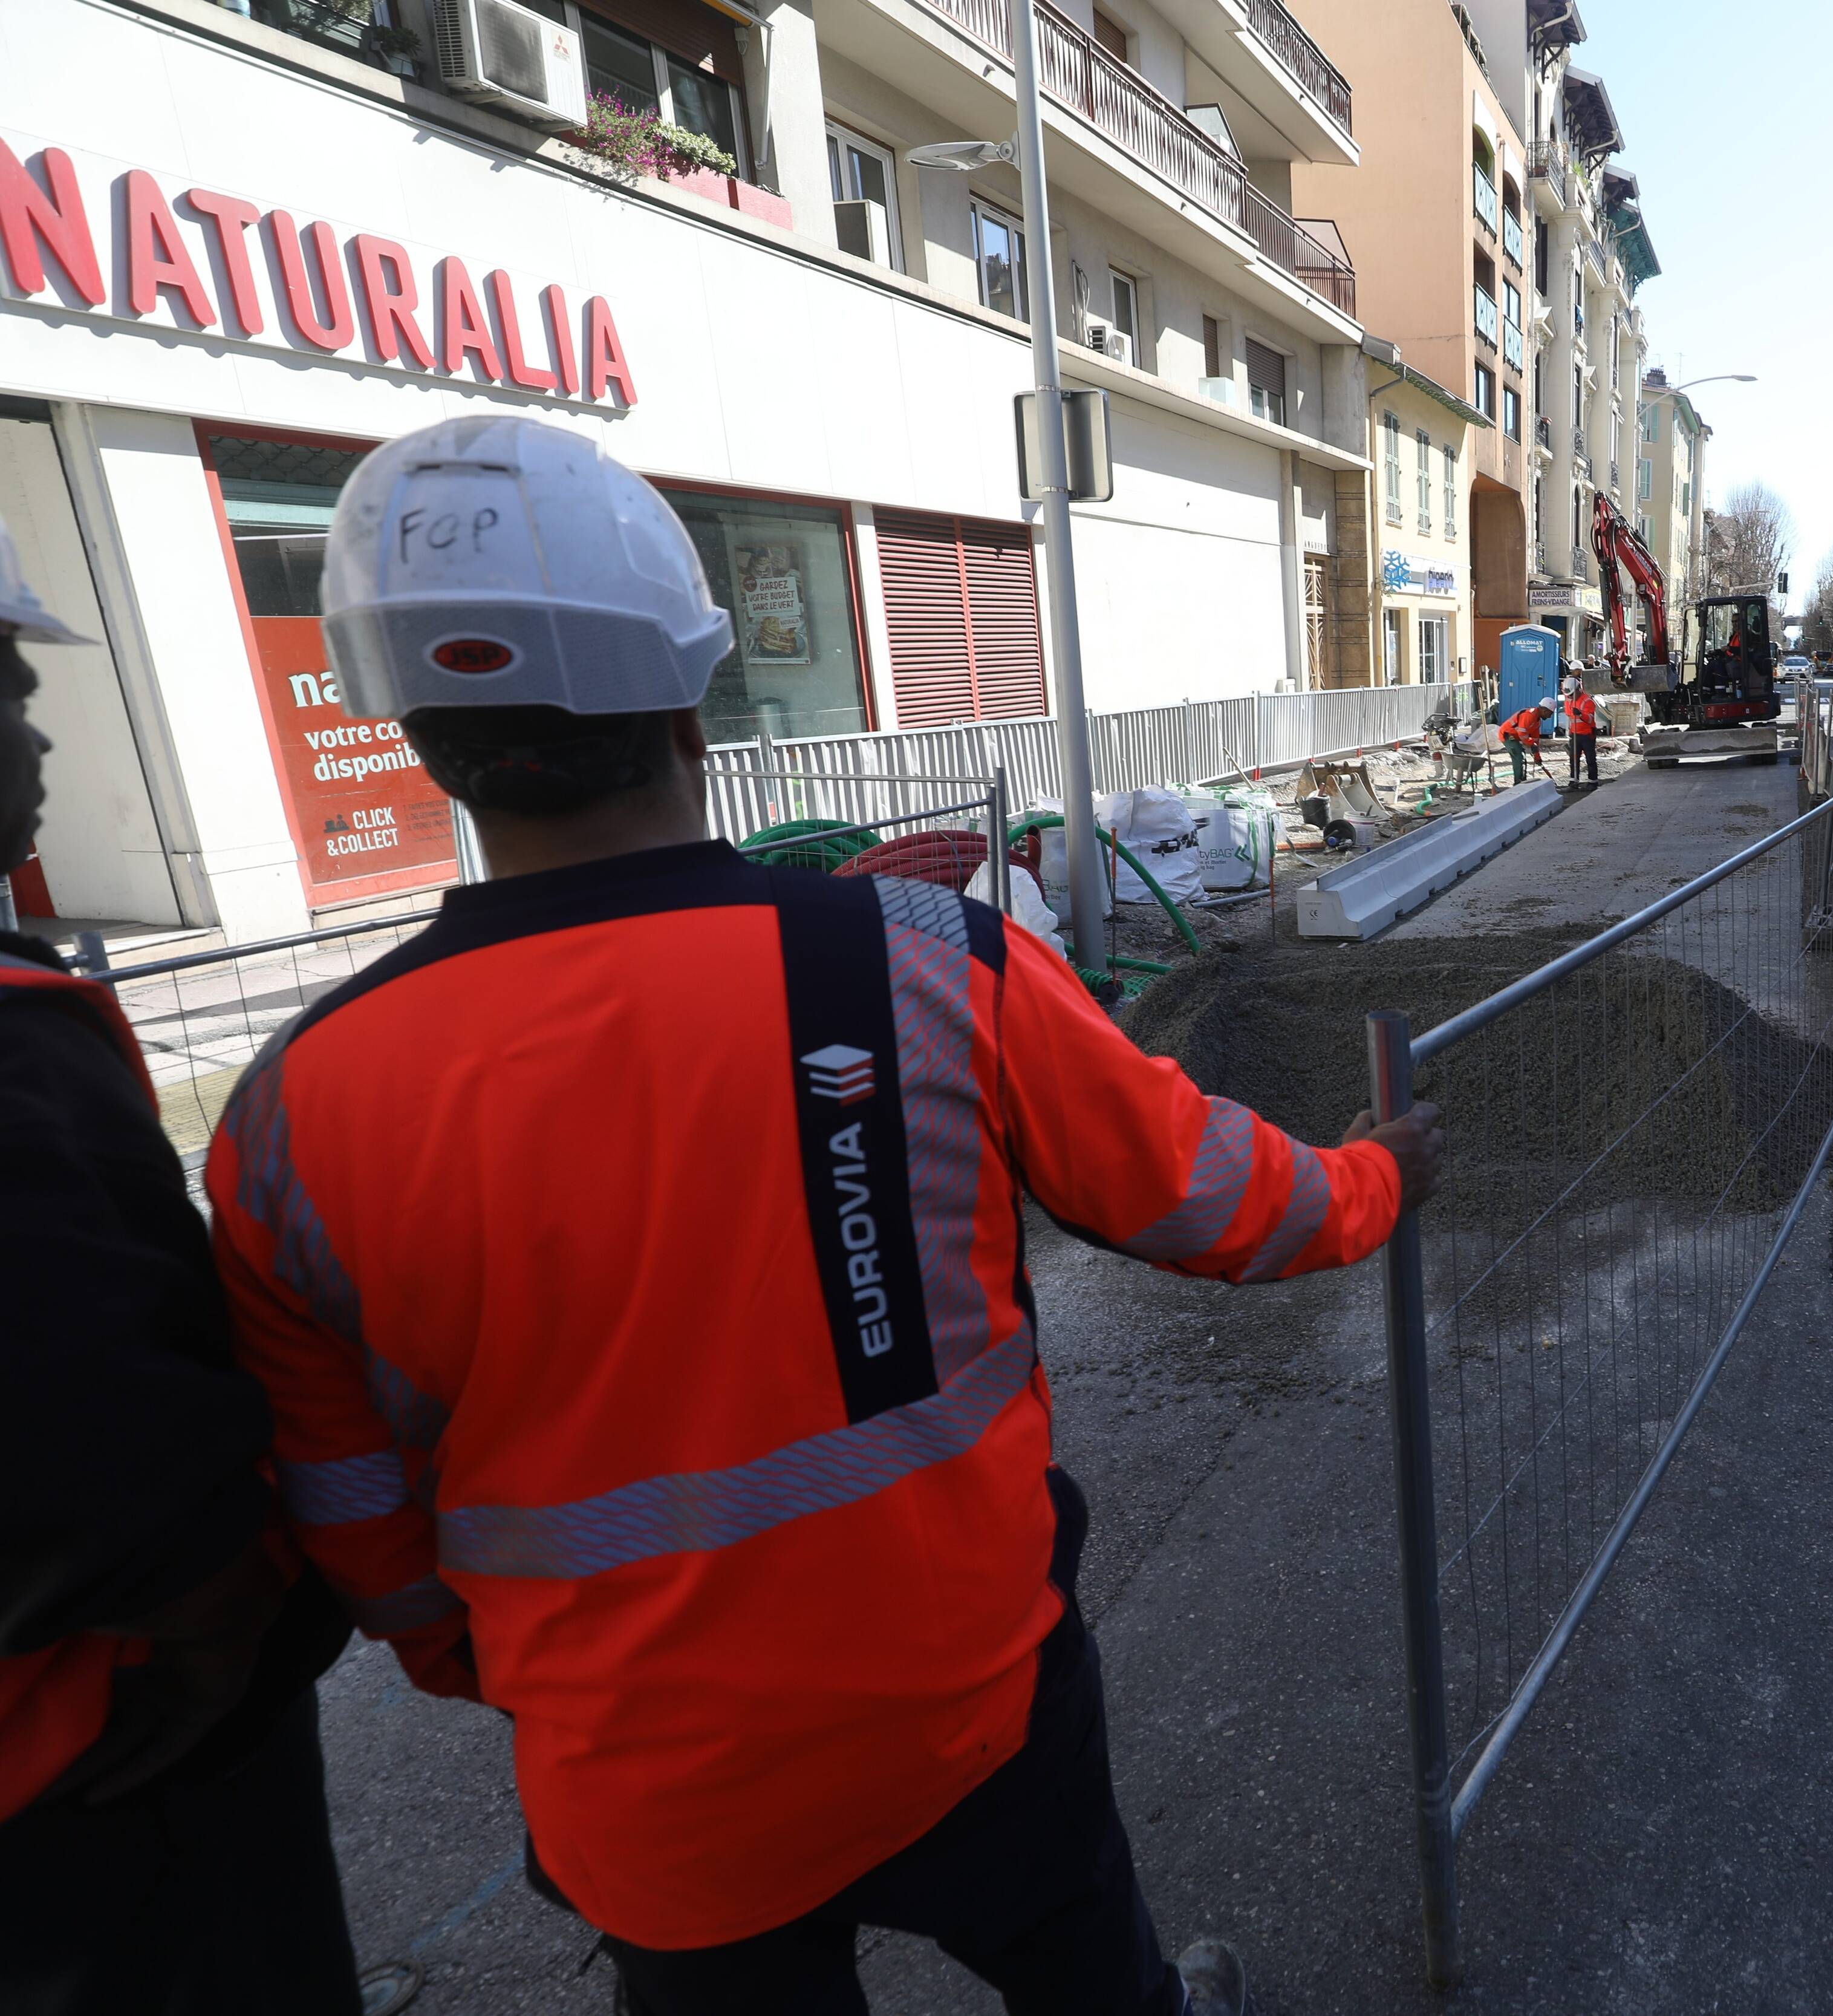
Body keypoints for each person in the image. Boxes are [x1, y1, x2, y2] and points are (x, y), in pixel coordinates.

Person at [204, 418, 1446, 2016]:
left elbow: (349, 1505)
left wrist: (523, 1672)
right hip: (969, 1709)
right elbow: (1222, 1200)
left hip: (649, 1789)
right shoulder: (922, 960)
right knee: (1094, 1978)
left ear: (417, 732)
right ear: (687, 697)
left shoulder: (292, 1113)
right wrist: (1381, 1175)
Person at [0, 517, 362, 2011]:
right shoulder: (15, 1055)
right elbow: (85, 1408)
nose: (38, 740)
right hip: (94, 1743)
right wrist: (223, 1620)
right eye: (12, 692)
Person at [1562, 681, 1602, 787]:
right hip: (1575, 734)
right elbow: (1570, 717)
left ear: (1578, 689)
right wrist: (1571, 733)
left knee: (1590, 758)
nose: (1570, 697)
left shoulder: (1587, 701)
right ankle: (1574, 780)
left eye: (1572, 694)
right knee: (1573, 758)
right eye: (1569, 695)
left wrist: (1580, 715)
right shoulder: (1569, 700)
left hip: (1587, 734)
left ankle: (1593, 782)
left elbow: (1590, 719)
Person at [1499, 699, 1546, 783]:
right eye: (1550, 713)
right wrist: (1531, 744)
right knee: (1520, 757)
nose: (1550, 716)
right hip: (1507, 735)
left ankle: (1522, 782)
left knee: (1521, 757)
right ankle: (1519, 783)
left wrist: (1537, 756)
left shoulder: (1537, 721)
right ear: (1544, 710)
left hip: (1514, 736)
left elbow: (1535, 740)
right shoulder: (1529, 715)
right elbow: (1522, 734)